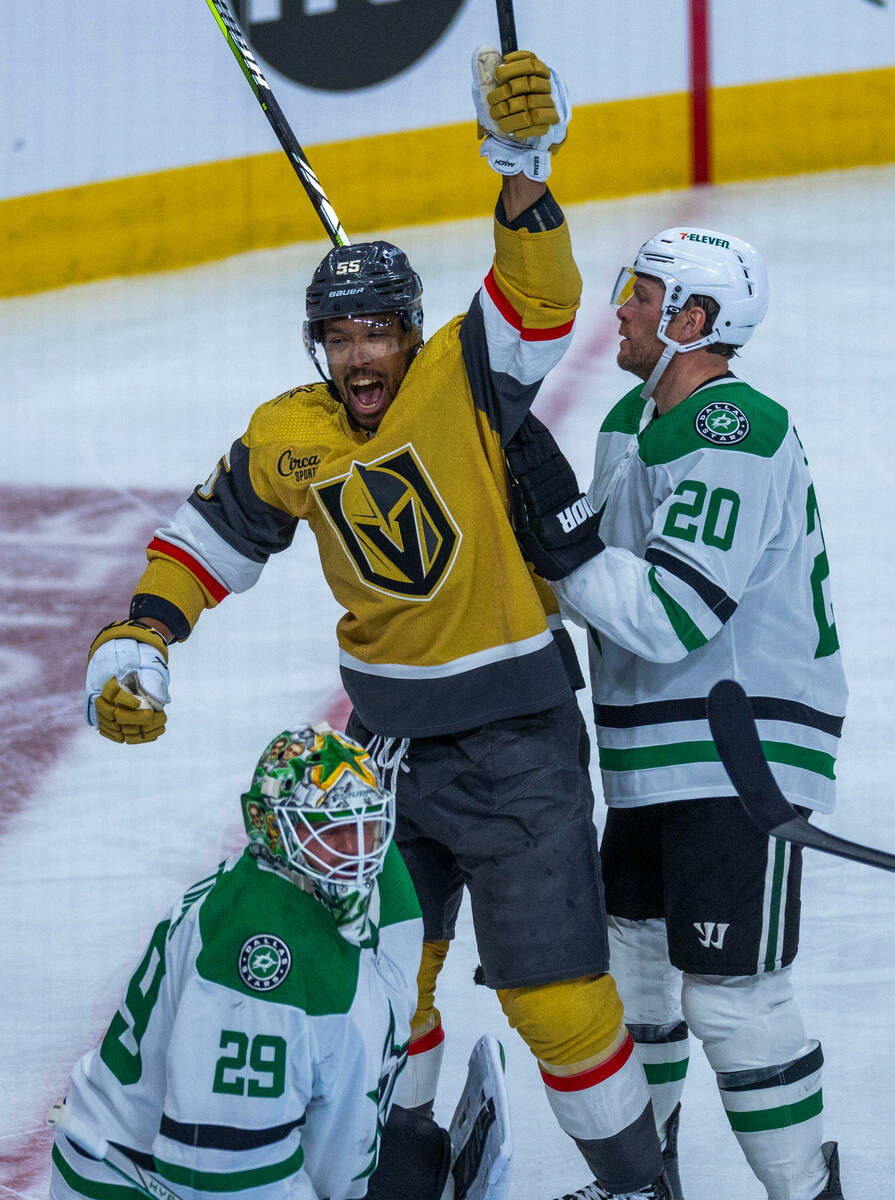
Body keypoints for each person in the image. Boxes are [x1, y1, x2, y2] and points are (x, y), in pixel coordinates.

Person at [81, 48, 673, 1200]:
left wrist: (519, 169)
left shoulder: (464, 379)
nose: (358, 356)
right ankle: (394, 1173)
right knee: (384, 990)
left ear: (407, 329)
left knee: (557, 1001)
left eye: (374, 333)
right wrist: (143, 635)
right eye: (337, 338)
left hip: (518, 742)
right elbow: (212, 543)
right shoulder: (286, 431)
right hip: (386, 753)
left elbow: (540, 296)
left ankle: (640, 1186)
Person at [506, 227, 848, 1200]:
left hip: (737, 754)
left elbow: (669, 612)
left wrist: (560, 545)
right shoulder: (631, 416)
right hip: (651, 755)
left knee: (733, 1001)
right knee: (635, 977)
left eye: (638, 293)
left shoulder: (733, 427)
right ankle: (643, 1185)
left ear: (692, 319)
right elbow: (593, 586)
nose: (618, 307)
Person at [49, 723, 429, 1200]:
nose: (358, 854)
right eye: (332, 835)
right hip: (133, 1184)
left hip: (164, 1159)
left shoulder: (311, 885)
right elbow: (220, 1174)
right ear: (269, 827)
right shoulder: (260, 961)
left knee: (420, 1160)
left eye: (366, 826)